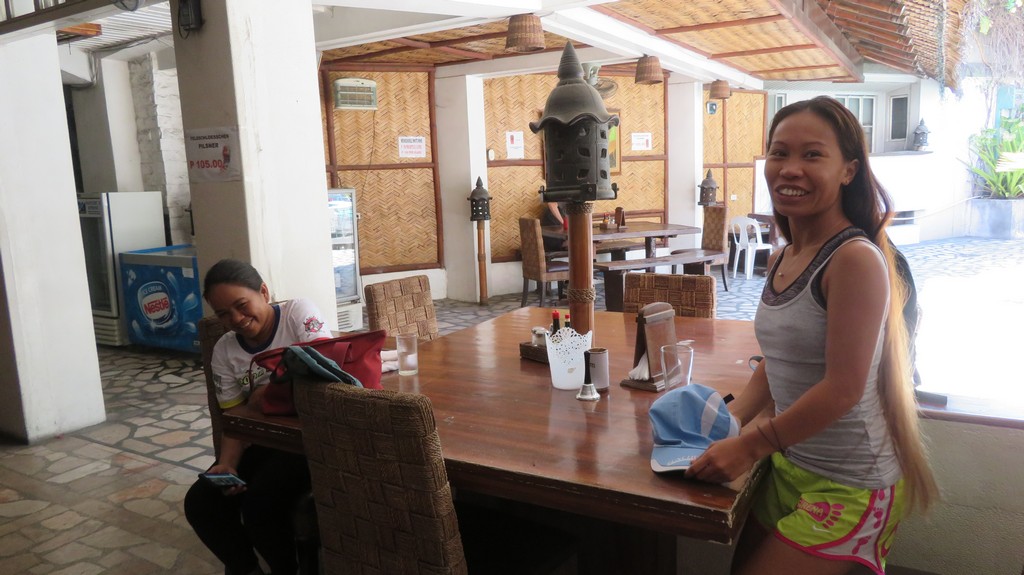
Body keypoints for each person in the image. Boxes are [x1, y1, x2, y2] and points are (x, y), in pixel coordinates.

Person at [684, 96, 937, 575]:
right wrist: (734, 418)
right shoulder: (783, 256)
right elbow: (779, 358)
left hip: (852, 482)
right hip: (790, 463)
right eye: (779, 153)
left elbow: (843, 389)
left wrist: (750, 446)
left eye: (812, 155)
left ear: (848, 171)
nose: (790, 168)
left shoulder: (854, 259)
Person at [185, 259, 332, 575]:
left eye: (242, 306)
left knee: (259, 504)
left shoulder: (297, 313)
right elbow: (234, 417)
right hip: (262, 444)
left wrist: (268, 393)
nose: (236, 319)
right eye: (223, 314)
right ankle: (246, 568)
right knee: (201, 502)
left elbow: (326, 371)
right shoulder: (225, 350)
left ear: (263, 292)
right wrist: (228, 464)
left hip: (310, 442)